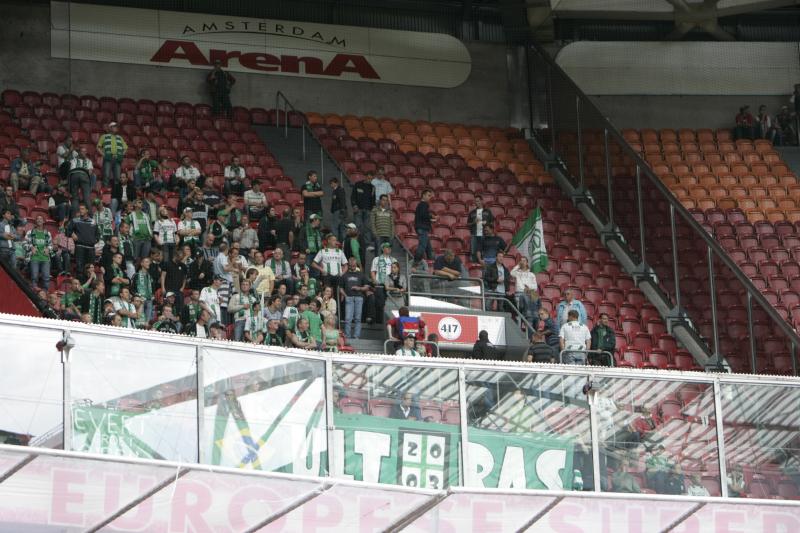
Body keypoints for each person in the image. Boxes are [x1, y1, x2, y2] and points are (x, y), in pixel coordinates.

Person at [341, 256, 369, 340]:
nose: (352, 266)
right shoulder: (345, 275)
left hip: (359, 298)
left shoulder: (361, 274)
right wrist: (346, 296)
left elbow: (367, 287)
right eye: (351, 265)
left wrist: (359, 288)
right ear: (349, 264)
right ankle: (347, 336)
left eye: (354, 264)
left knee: (357, 319)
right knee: (348, 318)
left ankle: (356, 336)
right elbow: (341, 288)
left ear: (356, 264)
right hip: (349, 298)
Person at [68, 204, 99, 274]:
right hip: (80, 247)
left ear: (87, 210)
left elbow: (98, 234)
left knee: (91, 269)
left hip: (91, 248)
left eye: (82, 209)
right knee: (80, 268)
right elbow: (68, 230)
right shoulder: (75, 220)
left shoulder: (93, 222)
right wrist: (72, 234)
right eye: (80, 209)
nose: (80, 210)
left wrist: (94, 240)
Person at [371, 241, 398, 321]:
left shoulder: (394, 260)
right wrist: (375, 280)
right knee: (380, 304)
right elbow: (373, 271)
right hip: (380, 285)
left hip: (390, 285)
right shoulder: (376, 259)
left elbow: (397, 272)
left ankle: (389, 320)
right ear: (383, 249)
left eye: (390, 247)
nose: (389, 249)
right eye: (387, 247)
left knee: (390, 304)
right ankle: (379, 321)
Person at [25, 215, 52, 290]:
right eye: (37, 219)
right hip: (34, 258)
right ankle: (34, 292)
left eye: (41, 219)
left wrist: (48, 249)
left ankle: (45, 293)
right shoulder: (30, 232)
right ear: (35, 221)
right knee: (34, 277)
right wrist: (31, 247)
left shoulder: (48, 233)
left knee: (46, 278)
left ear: (43, 221)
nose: (39, 220)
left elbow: (51, 245)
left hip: (45, 258)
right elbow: (24, 244)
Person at [96, 122, 127, 186]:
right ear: (110, 128)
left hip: (117, 159)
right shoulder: (104, 136)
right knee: (106, 176)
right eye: (114, 126)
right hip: (108, 158)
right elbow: (98, 147)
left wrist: (121, 155)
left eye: (116, 127)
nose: (116, 128)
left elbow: (125, 148)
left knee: (117, 177)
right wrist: (104, 155)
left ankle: (116, 190)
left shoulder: (120, 137)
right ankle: (105, 189)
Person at [510, 256, 539, 324]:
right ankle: (519, 327)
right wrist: (518, 265)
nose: (522, 262)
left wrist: (529, 287)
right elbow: (511, 273)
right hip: (519, 294)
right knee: (519, 313)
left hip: (528, 294)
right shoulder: (517, 273)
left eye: (524, 261)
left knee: (528, 314)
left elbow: (535, 287)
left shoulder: (531, 274)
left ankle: (527, 327)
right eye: (521, 261)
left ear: (527, 263)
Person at [67, 146, 94, 214]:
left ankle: (75, 216)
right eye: (82, 151)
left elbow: (72, 170)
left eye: (85, 151)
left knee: (75, 198)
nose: (83, 153)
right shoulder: (88, 161)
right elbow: (90, 172)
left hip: (75, 176)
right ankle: (90, 215)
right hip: (83, 175)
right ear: (79, 152)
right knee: (86, 198)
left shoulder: (73, 160)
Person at [468, 196, 494, 262]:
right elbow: (468, 224)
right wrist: (474, 222)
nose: (476, 202)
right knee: (473, 252)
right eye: (475, 201)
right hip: (474, 234)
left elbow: (492, 223)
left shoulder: (488, 211)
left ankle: (484, 265)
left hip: (485, 235)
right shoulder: (472, 213)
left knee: (484, 251)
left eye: (478, 201)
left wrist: (486, 223)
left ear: (482, 201)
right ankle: (474, 265)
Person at [351, 173, 375, 244]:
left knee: (368, 227)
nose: (369, 180)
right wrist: (354, 205)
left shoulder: (372, 187)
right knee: (358, 226)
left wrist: (373, 208)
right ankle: (357, 241)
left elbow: (373, 199)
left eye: (371, 179)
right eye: (368, 178)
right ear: (365, 177)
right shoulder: (358, 184)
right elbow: (353, 196)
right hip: (358, 209)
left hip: (368, 209)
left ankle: (367, 243)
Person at [413, 189, 436, 262]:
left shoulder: (420, 205)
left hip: (421, 227)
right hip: (423, 228)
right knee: (422, 246)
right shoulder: (424, 204)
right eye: (428, 195)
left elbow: (421, 216)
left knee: (429, 248)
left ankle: (432, 261)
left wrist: (430, 219)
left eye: (430, 196)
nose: (430, 197)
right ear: (423, 195)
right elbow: (424, 215)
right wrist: (431, 216)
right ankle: (416, 262)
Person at [132, 257, 155, 321]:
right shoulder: (136, 275)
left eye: (149, 262)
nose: (149, 263)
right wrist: (138, 296)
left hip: (149, 300)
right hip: (140, 300)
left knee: (147, 321)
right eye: (147, 262)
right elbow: (132, 289)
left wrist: (153, 295)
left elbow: (153, 287)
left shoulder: (150, 276)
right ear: (142, 264)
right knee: (140, 320)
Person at [329, 177, 346, 242]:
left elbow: (342, 200)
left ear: (336, 183)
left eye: (332, 183)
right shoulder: (336, 190)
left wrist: (342, 209)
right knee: (341, 227)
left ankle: (335, 242)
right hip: (339, 210)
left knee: (334, 227)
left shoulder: (339, 190)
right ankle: (343, 242)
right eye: (330, 183)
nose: (331, 185)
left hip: (338, 210)